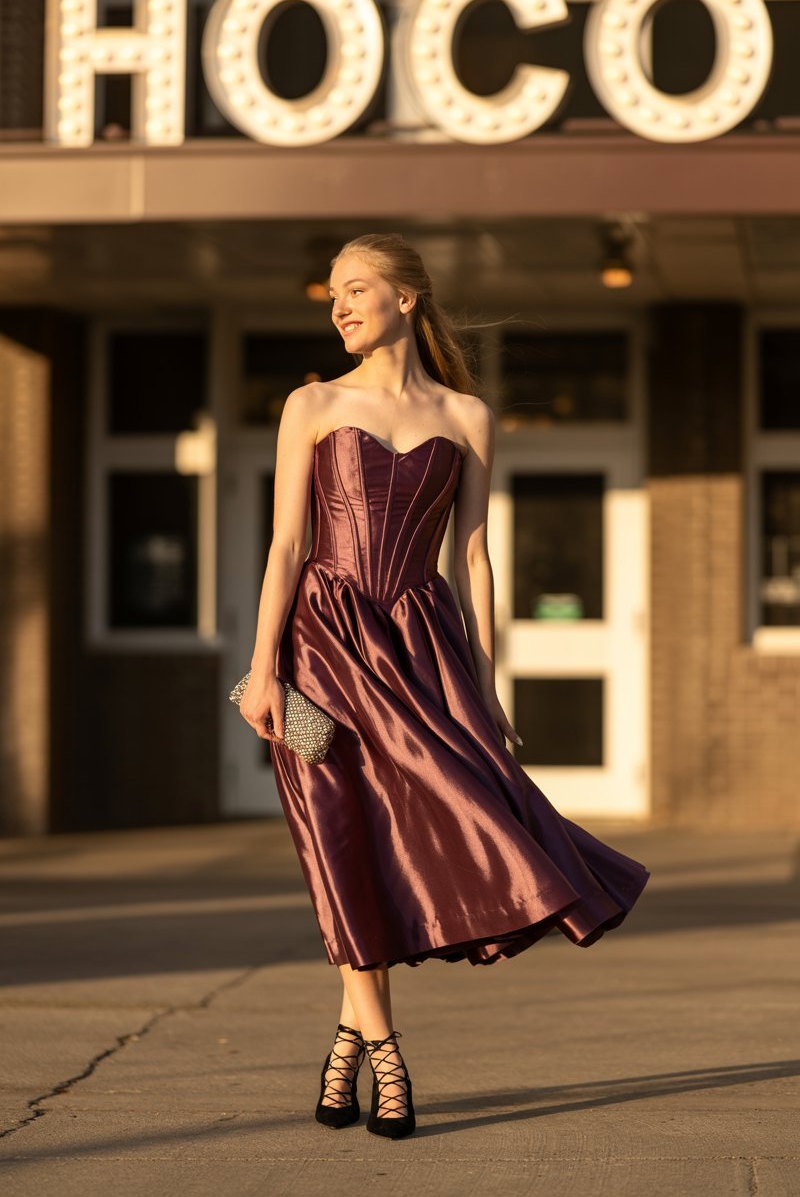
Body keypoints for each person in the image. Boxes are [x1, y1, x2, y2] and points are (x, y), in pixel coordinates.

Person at [238, 232, 651, 1140]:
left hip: (421, 657)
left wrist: (488, 686)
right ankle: (386, 1052)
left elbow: (475, 558)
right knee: (336, 836)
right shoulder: (310, 403)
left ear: (407, 299)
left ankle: (348, 1042)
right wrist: (263, 669)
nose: (338, 306)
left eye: (356, 290)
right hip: (318, 652)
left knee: (444, 827)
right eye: (333, 294)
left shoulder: (468, 417)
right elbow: (285, 547)